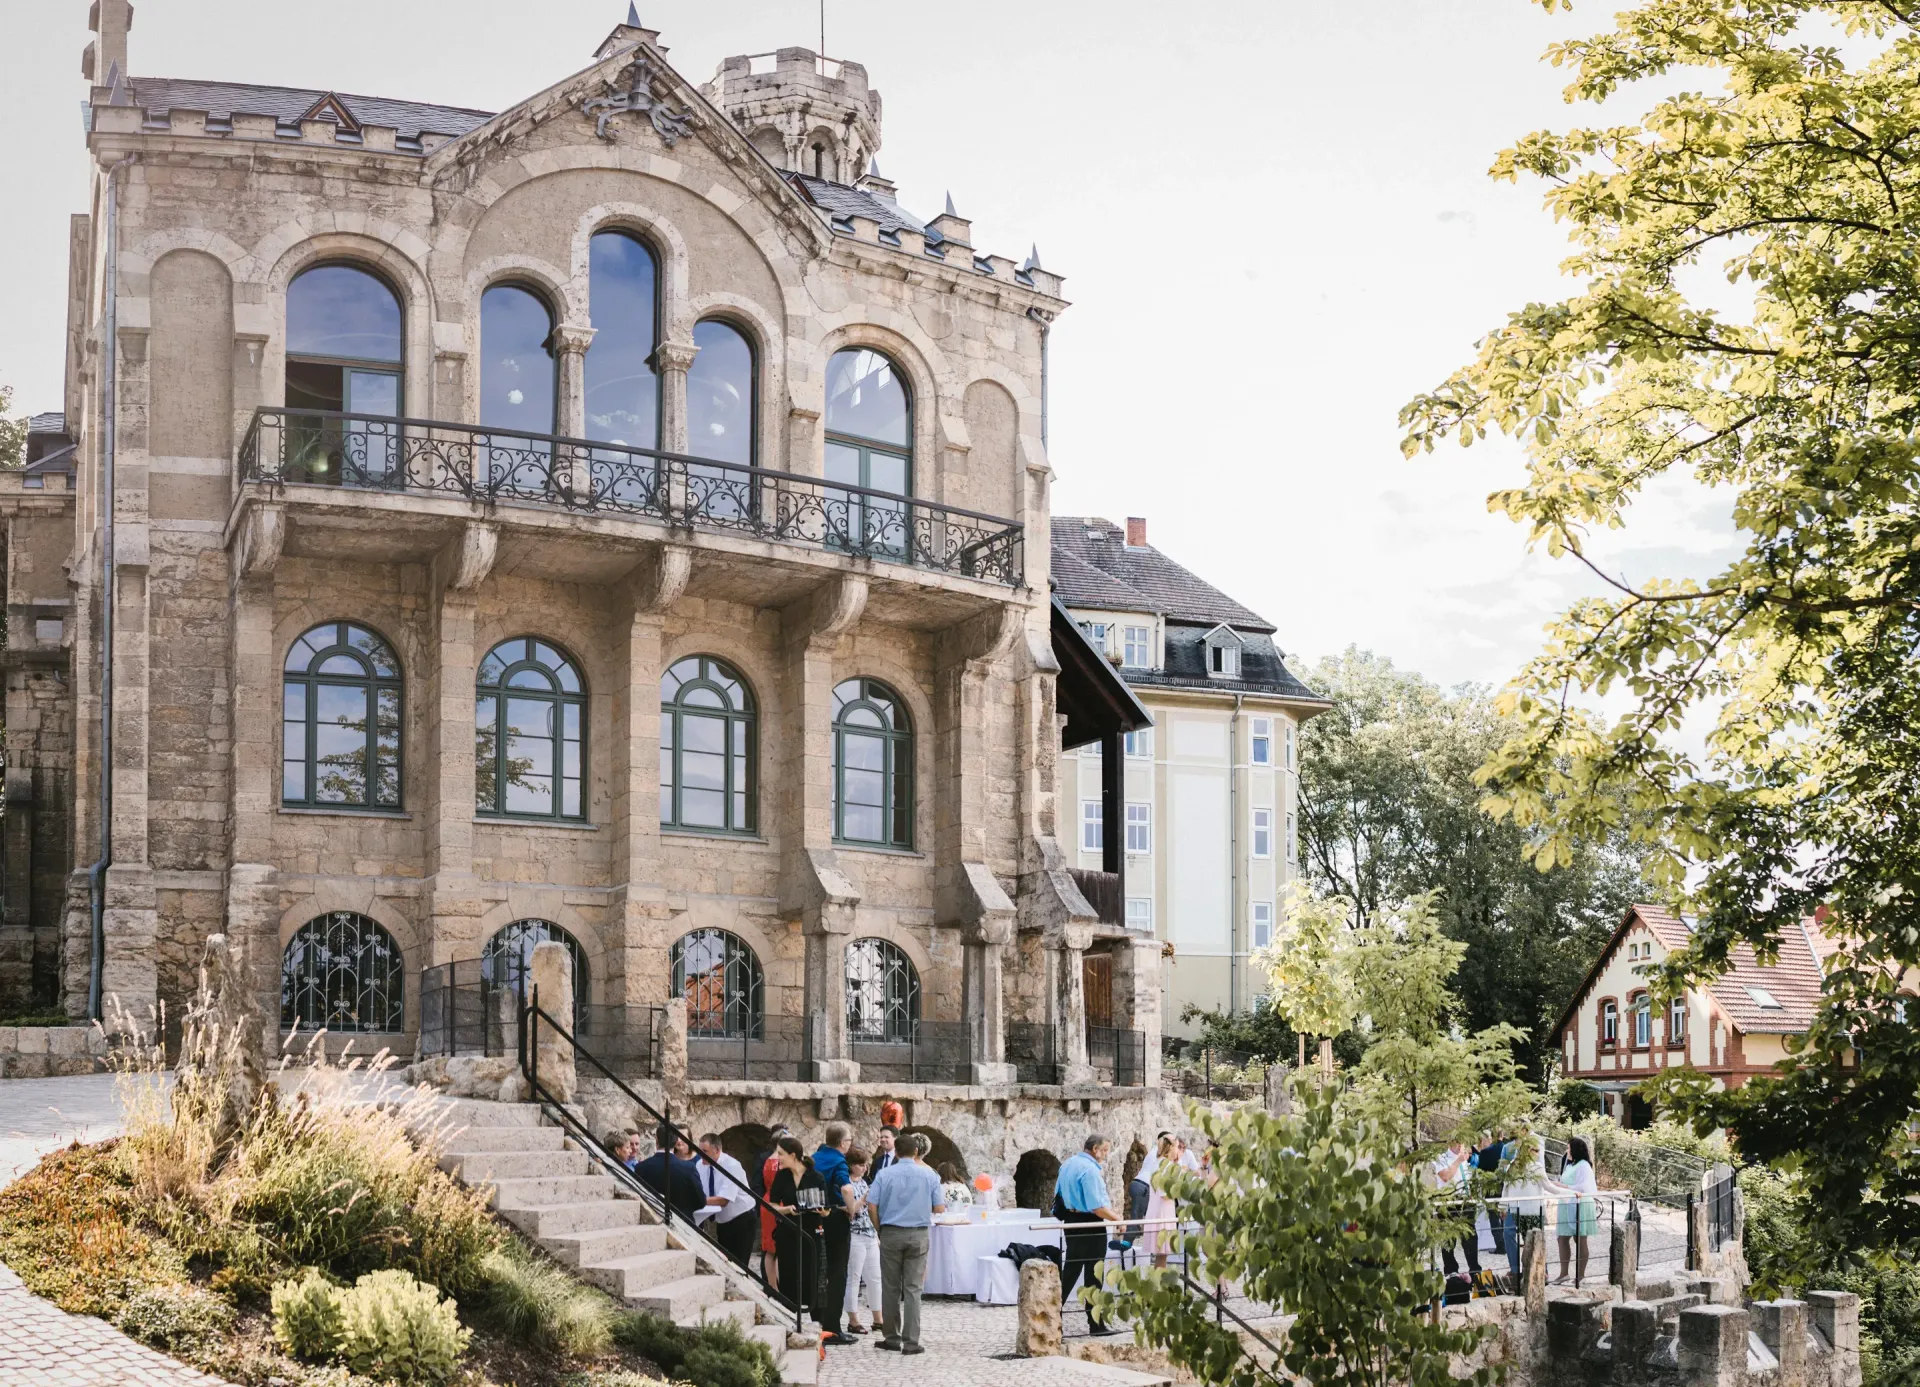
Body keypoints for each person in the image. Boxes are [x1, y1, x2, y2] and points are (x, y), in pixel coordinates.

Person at [866, 1131, 944, 1355]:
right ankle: (911, 1342)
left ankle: (891, 1338)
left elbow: (871, 1205)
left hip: (890, 1232)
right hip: (918, 1233)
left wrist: (880, 1228)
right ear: (916, 1151)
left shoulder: (884, 1174)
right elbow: (939, 1208)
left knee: (890, 1287)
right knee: (913, 1289)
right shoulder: (929, 1176)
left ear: (896, 1152)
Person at [1053, 1133, 1120, 1336]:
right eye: (1105, 1150)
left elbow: (1058, 1195)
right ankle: (1095, 1324)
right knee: (1093, 1274)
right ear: (1094, 1149)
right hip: (1089, 1223)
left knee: (1070, 1271)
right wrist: (1117, 1220)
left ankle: (1053, 1316)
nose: (1106, 1155)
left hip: (1071, 1222)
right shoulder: (1090, 1170)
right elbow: (1096, 1206)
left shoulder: (1067, 1164)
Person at [767, 1136, 825, 1317]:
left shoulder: (816, 1177)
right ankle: (790, 1317)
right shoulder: (782, 1176)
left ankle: (817, 1322)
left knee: (812, 1276)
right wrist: (786, 1209)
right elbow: (772, 1205)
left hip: (811, 1233)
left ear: (793, 1155)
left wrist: (822, 1211)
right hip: (788, 1233)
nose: (778, 1158)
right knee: (788, 1277)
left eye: (781, 1154)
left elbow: (827, 1210)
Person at [812, 1121, 855, 1345]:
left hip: (814, 1217)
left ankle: (816, 1320)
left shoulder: (814, 1157)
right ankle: (833, 1328)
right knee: (838, 1273)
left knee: (818, 1270)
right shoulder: (839, 1161)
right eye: (849, 1141)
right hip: (835, 1219)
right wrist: (852, 1208)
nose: (849, 1145)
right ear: (841, 1142)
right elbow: (846, 1188)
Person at [696, 1132, 758, 1271]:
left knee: (740, 1266)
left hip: (742, 1218)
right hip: (723, 1220)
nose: (701, 1155)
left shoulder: (732, 1166)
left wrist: (698, 1201)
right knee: (726, 1264)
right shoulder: (700, 1165)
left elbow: (724, 1200)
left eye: (705, 1151)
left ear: (717, 1150)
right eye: (700, 1151)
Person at [842, 1149, 884, 1334]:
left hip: (869, 1232)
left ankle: (878, 1318)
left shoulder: (864, 1182)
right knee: (854, 1276)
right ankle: (853, 1319)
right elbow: (851, 1210)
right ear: (851, 1165)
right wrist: (865, 1199)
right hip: (854, 1233)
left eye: (866, 1165)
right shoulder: (846, 1184)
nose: (864, 1168)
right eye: (861, 1165)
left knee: (875, 1277)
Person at [1431, 1141, 1483, 1290]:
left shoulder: (1465, 1160)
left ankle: (1474, 1271)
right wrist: (1459, 1160)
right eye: (1458, 1141)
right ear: (1451, 1142)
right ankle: (1451, 1272)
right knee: (1449, 1239)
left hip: (1465, 1202)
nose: (1461, 1145)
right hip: (1448, 1202)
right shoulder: (1440, 1158)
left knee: (1470, 1237)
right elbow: (1446, 1177)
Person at [634, 1123, 704, 1222]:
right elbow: (701, 1202)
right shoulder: (688, 1168)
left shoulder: (640, 1167)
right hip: (683, 1222)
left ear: (656, 1140)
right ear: (675, 1140)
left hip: (652, 1219)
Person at [1555, 1137, 1600, 1287]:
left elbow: (1584, 1187)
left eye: (1569, 1148)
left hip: (1580, 1204)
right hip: (1567, 1204)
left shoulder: (1584, 1166)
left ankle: (1580, 1275)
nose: (1567, 1151)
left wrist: (1564, 1187)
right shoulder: (1570, 1165)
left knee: (1580, 1239)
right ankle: (1564, 1273)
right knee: (1562, 1238)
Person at [1138, 1134, 1180, 1268]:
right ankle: (1159, 1285)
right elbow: (1165, 1193)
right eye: (1177, 1147)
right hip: (1163, 1213)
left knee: (1160, 1256)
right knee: (1162, 1256)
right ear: (1172, 1147)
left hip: (1157, 1210)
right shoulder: (1166, 1165)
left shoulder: (1157, 1162)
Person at [757, 1123, 792, 1275]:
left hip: (768, 1201)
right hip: (781, 1202)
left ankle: (773, 1286)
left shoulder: (768, 1160)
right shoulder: (783, 1162)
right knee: (780, 1248)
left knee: (770, 1249)